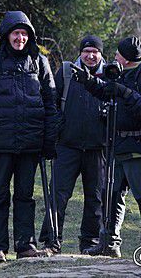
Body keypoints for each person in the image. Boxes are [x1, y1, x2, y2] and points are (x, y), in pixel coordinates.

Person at [0, 11, 58, 263]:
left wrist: (49, 141)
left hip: (30, 144)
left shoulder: (39, 63)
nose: (20, 38)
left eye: (24, 33)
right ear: (6, 35)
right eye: (15, 33)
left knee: (25, 196)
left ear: (30, 37)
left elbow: (51, 103)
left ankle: (25, 245)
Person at [72, 37, 141, 258]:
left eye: (118, 54)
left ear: (128, 57)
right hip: (118, 148)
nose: (114, 57)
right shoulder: (121, 73)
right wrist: (88, 81)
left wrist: (126, 92)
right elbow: (107, 90)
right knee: (111, 198)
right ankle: (109, 244)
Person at [39, 35, 107, 254]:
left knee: (96, 197)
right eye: (86, 51)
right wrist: (54, 134)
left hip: (99, 148)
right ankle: (51, 241)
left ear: (101, 54)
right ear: (80, 53)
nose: (90, 56)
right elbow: (52, 104)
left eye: (94, 52)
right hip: (66, 146)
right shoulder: (67, 73)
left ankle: (90, 242)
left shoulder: (110, 75)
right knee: (57, 194)